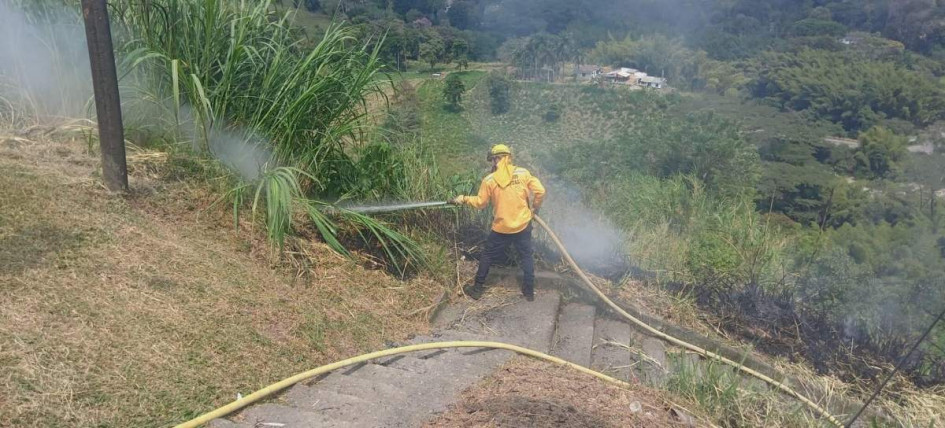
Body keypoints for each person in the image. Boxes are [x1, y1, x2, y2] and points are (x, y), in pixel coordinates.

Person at [451, 144, 546, 301]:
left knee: (487, 255)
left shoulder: (489, 180)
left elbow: (480, 203)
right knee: (526, 256)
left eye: (493, 160)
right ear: (509, 158)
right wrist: (535, 209)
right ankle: (529, 292)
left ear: (496, 159)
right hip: (523, 225)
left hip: (502, 228)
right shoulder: (523, 173)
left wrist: (463, 198)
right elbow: (540, 191)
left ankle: (477, 289)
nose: (493, 163)